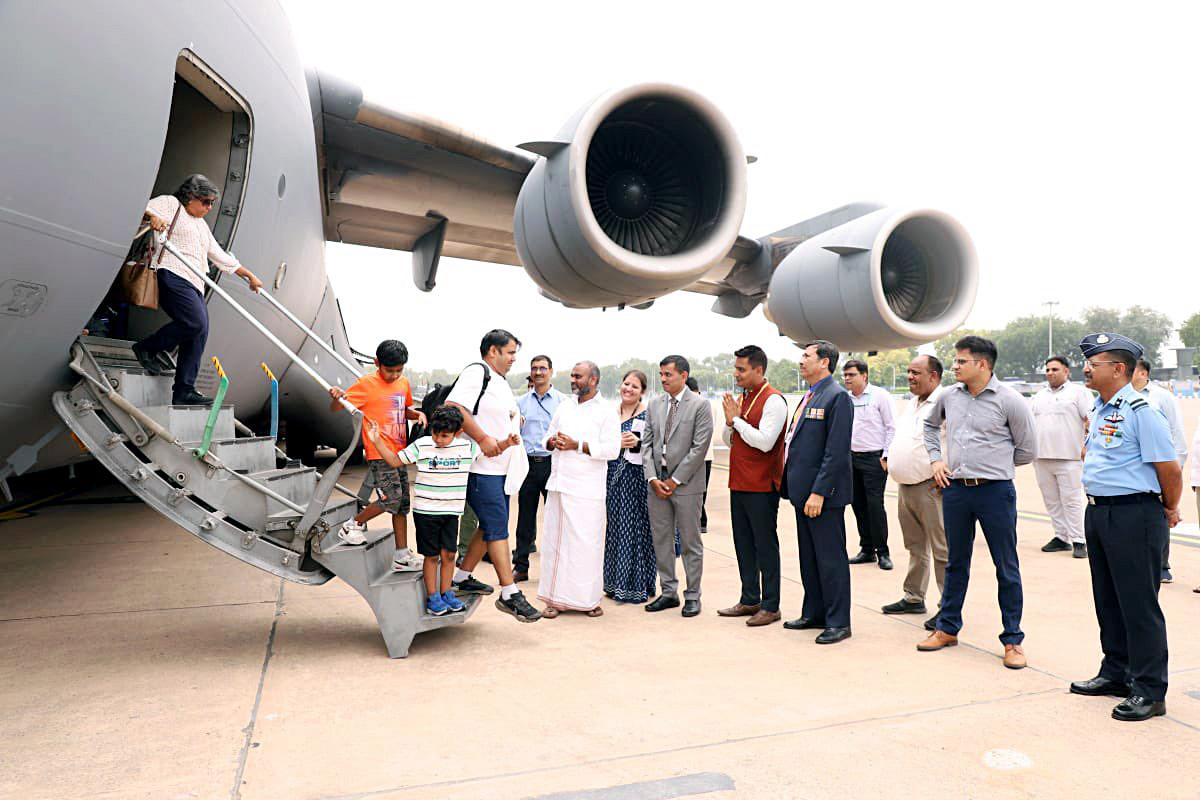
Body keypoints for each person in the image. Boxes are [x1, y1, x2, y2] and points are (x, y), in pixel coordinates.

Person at [1069, 333, 1182, 722]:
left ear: (1118, 369)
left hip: (1134, 514)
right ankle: (1116, 672)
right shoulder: (1101, 408)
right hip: (1099, 513)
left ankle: (1149, 690)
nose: (1086, 368)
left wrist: (1169, 507)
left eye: (1093, 363)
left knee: (1138, 605)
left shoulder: (1141, 411)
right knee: (1108, 600)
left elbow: (1169, 469)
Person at [918, 336, 1036, 670]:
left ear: (982, 364)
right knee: (956, 562)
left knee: (1006, 566)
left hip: (996, 492)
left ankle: (1012, 640)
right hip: (956, 490)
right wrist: (936, 459)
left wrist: (994, 466)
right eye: (955, 361)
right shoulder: (949, 396)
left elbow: (1027, 449)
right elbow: (929, 427)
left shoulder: (1010, 400)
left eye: (961, 361)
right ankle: (947, 628)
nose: (954, 366)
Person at [133, 174, 264, 405]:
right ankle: (147, 347)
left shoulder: (201, 225)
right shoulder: (171, 204)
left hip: (195, 282)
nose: (209, 207)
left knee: (199, 333)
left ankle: (184, 390)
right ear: (190, 197)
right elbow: (140, 207)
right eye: (206, 202)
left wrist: (249, 275)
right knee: (195, 323)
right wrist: (153, 217)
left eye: (212, 203)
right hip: (171, 273)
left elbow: (219, 256)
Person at [446, 330, 541, 622]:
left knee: (488, 527)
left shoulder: (499, 381)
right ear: (492, 351)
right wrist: (483, 438)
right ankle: (510, 593)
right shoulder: (477, 372)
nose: (513, 359)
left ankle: (461, 577)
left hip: (500, 470)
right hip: (481, 469)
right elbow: (455, 407)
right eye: (510, 352)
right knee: (497, 528)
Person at [365, 407, 476, 616]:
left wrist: (508, 442)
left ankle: (447, 593)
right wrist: (377, 440)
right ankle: (433, 598)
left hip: (451, 512)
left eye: (445, 436)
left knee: (449, 555)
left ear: (458, 433)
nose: (438, 440)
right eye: (435, 433)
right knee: (431, 556)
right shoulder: (422, 445)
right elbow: (394, 461)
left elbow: (491, 450)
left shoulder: (467, 447)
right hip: (426, 512)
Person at [328, 340, 426, 571]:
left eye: (399, 370)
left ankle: (401, 555)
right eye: (389, 370)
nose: (394, 375)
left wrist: (417, 415)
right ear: (376, 363)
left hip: (400, 452)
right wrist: (337, 398)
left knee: (401, 505)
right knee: (390, 499)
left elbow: (402, 409)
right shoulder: (366, 384)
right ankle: (352, 525)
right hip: (379, 452)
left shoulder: (403, 383)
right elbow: (337, 408)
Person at [781, 340, 853, 644]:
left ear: (824, 362)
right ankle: (814, 612)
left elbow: (836, 452)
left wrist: (820, 492)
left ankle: (838, 621)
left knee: (830, 559)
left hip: (822, 497)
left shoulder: (837, 397)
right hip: (803, 493)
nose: (801, 360)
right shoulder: (811, 395)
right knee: (809, 558)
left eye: (807, 355)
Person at [537, 362, 621, 617]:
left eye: (578, 376)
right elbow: (546, 437)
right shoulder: (565, 405)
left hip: (587, 490)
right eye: (572, 375)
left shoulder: (606, 411)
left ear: (593, 380)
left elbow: (612, 450)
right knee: (556, 545)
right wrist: (552, 441)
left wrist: (578, 445)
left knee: (586, 546)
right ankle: (554, 600)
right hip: (559, 485)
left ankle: (588, 601)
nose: (573, 380)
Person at [718, 345, 787, 627]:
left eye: (741, 369)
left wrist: (737, 420)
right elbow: (729, 440)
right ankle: (749, 599)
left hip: (762, 486)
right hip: (740, 482)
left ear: (759, 370)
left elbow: (765, 442)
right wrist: (730, 423)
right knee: (743, 544)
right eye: (736, 369)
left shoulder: (773, 400)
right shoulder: (744, 397)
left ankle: (771, 605)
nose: (736, 374)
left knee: (765, 546)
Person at [880, 355, 948, 631]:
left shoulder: (946, 403)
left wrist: (948, 473)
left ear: (934, 376)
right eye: (908, 371)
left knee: (942, 550)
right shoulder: (912, 402)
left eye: (916, 372)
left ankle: (948, 607)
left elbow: (958, 441)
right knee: (915, 546)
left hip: (931, 487)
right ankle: (913, 597)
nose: (910, 377)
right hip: (906, 486)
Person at [642, 355, 713, 617]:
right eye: (661, 374)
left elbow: (699, 448)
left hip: (686, 484)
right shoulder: (655, 404)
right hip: (657, 483)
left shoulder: (700, 405)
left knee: (690, 541)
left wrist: (674, 480)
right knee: (661, 539)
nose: (663, 379)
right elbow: (646, 444)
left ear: (683, 376)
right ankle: (668, 592)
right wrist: (652, 478)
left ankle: (692, 595)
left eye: (668, 374)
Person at [1132, 358, 1188, 583]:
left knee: (1161, 514)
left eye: (1132, 370)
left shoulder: (1161, 397)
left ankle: (1162, 565)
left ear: (1144, 373)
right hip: (1135, 468)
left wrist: (1175, 470)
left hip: (1161, 465)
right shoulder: (1120, 397)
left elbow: (1176, 434)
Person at [1032, 355, 1093, 559]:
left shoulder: (1079, 393)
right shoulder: (1039, 396)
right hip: (1042, 457)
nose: (1050, 373)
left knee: (1072, 500)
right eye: (1048, 370)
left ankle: (1079, 540)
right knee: (1051, 501)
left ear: (1066, 371)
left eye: (1055, 369)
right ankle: (1061, 537)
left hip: (1069, 457)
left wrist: (1087, 446)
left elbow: (1091, 420)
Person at [603, 370, 657, 604]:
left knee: (635, 530)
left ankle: (636, 585)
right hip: (611, 477)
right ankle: (613, 583)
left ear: (643, 391)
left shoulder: (649, 414)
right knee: (615, 528)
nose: (629, 389)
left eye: (635, 386)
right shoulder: (609, 413)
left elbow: (659, 445)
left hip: (635, 480)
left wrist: (639, 442)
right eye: (626, 384)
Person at [513, 355, 566, 583]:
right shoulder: (520, 402)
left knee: (556, 518)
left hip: (553, 464)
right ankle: (521, 566)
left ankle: (557, 568)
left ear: (551, 371)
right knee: (525, 518)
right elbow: (513, 432)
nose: (538, 372)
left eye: (543, 368)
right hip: (528, 465)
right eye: (534, 368)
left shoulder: (563, 402)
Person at [843, 359, 896, 570]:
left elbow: (892, 427)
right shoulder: (844, 398)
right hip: (851, 458)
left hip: (874, 459)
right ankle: (867, 550)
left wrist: (886, 456)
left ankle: (883, 552)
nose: (847, 379)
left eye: (851, 374)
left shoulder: (880, 396)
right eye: (845, 375)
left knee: (875, 506)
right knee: (858, 505)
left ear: (864, 375)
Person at [686, 376, 716, 533]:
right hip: (707, 455)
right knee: (702, 490)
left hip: (694, 454)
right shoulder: (709, 404)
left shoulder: (693, 404)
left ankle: (699, 520)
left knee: (692, 491)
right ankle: (701, 521)